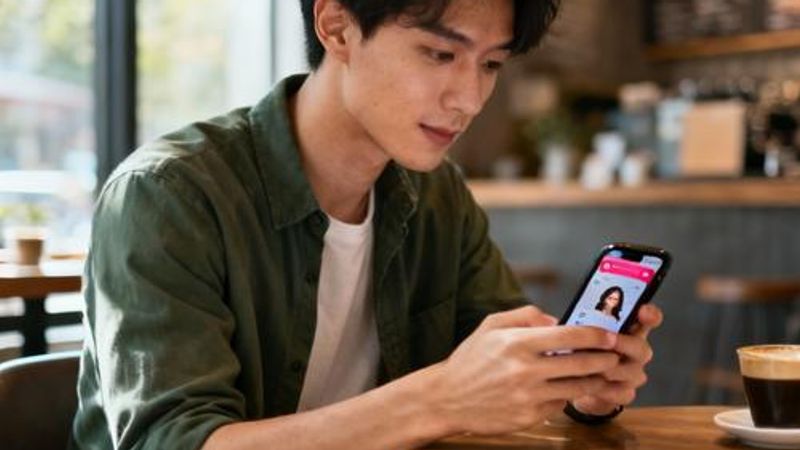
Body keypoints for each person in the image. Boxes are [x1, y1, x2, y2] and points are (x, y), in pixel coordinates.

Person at [71, 1, 663, 449]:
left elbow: (505, 373)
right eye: (439, 54)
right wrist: (436, 400)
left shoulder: (437, 195)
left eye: (490, 64)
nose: (469, 99)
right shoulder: (168, 195)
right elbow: (173, 443)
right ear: (336, 27)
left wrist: (579, 390)